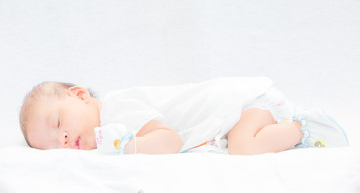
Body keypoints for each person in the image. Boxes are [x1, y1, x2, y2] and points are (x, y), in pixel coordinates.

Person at [19, 77, 349, 155]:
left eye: (58, 123)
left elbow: (169, 140)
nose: (61, 140)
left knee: (244, 149)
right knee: (241, 145)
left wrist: (125, 146)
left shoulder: (116, 109)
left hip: (245, 104)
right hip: (235, 115)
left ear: (79, 95)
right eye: (52, 145)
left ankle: (302, 126)